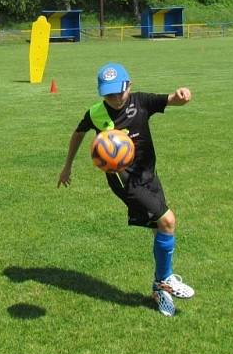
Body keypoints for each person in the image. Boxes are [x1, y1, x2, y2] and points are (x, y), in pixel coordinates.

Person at [57, 62, 194, 317]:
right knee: (168, 221)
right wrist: (67, 166)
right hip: (124, 180)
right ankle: (166, 280)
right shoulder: (96, 113)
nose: (115, 98)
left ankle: (159, 290)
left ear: (128, 86)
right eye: (108, 94)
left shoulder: (140, 102)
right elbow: (78, 133)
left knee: (158, 229)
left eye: (119, 92)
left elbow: (172, 99)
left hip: (148, 174)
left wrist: (182, 95)